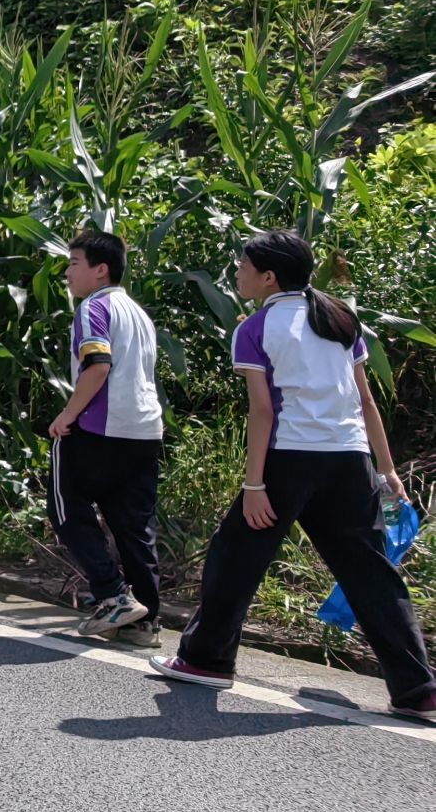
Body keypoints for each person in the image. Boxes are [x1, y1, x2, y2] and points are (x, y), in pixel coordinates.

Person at [152, 231, 436, 721]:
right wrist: (387, 470)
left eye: (243, 266)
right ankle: (419, 691)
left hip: (289, 461)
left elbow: (262, 413)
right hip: (350, 463)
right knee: (371, 574)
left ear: (268, 277)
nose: (237, 274)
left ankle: (206, 660)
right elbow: (365, 402)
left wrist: (254, 485)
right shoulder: (342, 319)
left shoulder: (256, 328)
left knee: (235, 557)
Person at [47, 231, 164, 643]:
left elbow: (98, 365)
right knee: (134, 527)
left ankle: (113, 595)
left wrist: (67, 415)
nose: (67, 271)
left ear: (101, 270)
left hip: (100, 428)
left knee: (65, 506)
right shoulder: (138, 312)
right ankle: (143, 621)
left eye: (74, 262)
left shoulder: (93, 308)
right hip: (146, 430)